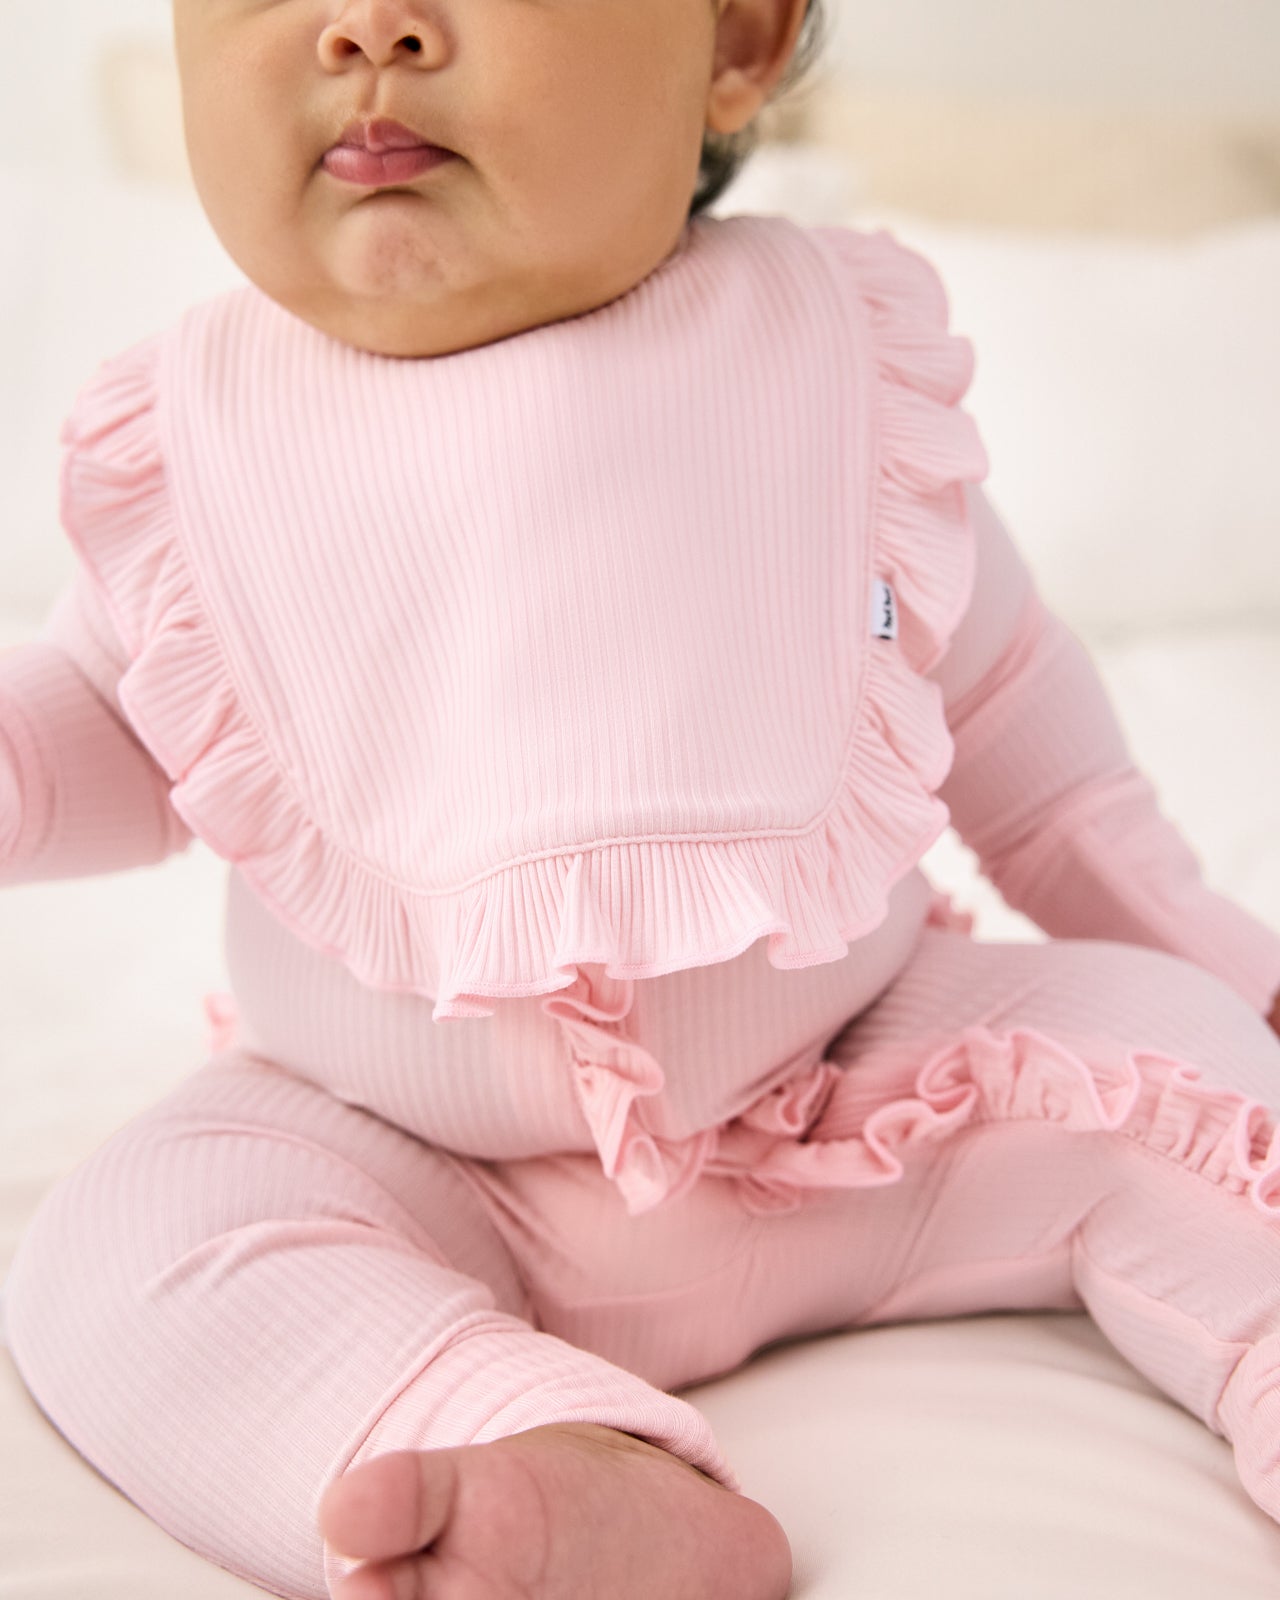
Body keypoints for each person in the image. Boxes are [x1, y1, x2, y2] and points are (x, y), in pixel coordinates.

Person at [4, 0, 1280, 1595]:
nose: (367, 31)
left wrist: (1229, 969)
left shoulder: (824, 387)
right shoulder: (212, 445)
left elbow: (1028, 736)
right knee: (126, 1244)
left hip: (865, 1101)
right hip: (408, 1152)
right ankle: (526, 1451)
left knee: (1183, 1067)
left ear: (734, 40)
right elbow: (118, 743)